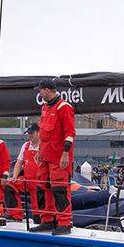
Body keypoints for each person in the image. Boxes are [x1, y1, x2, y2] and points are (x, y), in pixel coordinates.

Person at [28, 80, 75, 235]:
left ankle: (64, 223)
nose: (39, 94)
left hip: (58, 158)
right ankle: (47, 221)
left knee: (60, 189)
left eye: (40, 91)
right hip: (45, 156)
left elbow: (70, 133)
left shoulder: (64, 107)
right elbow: (44, 133)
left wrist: (65, 153)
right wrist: (39, 151)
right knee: (42, 188)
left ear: (47, 90)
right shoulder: (44, 108)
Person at [7, 123, 43, 223]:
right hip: (28, 181)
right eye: (28, 133)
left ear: (38, 132)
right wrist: (14, 176)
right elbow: (19, 162)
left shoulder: (44, 146)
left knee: (38, 213)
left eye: (32, 133)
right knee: (10, 186)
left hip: (41, 183)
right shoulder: (26, 145)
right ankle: (16, 215)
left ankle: (42, 221)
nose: (29, 135)